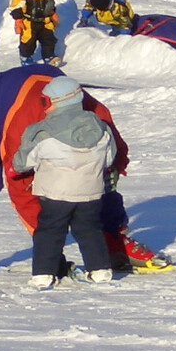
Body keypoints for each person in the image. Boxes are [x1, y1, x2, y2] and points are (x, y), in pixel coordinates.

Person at [0, 65, 168, 287]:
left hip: (49, 84)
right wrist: (49, 248)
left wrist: (111, 174)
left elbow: (114, 158)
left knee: (94, 174)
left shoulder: (98, 117)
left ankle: (114, 240)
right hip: (5, 95)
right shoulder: (27, 128)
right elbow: (20, 184)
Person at [13, 76, 119, 288]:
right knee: (90, 230)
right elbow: (109, 158)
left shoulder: (43, 132)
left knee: (50, 232)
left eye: (44, 102)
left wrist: (16, 166)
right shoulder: (101, 128)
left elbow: (22, 163)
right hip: (91, 193)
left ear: (54, 102)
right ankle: (100, 270)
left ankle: (43, 274)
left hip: (55, 195)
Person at [10, 0, 60, 66]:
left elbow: (50, 5)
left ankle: (49, 57)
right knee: (28, 41)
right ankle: (25, 57)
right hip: (29, 23)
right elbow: (15, 6)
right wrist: (18, 20)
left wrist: (53, 15)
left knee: (49, 39)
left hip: (45, 22)